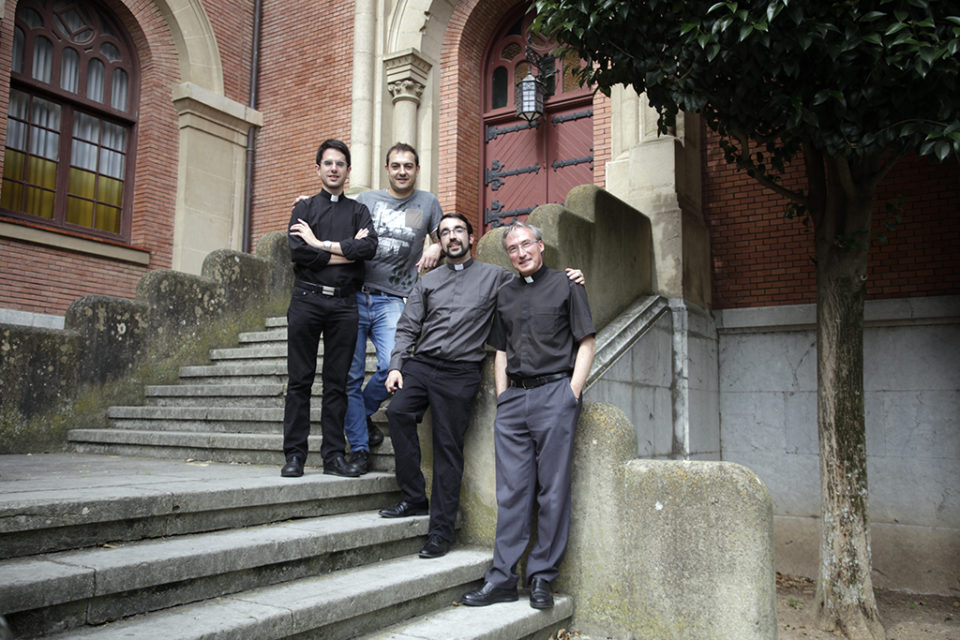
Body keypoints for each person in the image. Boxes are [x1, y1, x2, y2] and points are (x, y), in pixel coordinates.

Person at [379, 213, 585, 561]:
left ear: (471, 238)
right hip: (423, 364)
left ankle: (440, 532)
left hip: (460, 372)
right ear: (440, 241)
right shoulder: (428, 283)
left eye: (458, 230)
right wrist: (397, 365)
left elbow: (533, 277)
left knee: (448, 447)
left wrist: (572, 276)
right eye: (444, 233)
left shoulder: (497, 278)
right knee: (397, 413)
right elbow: (407, 327)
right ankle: (415, 496)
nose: (452, 237)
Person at [460, 221, 596, 610]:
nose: (520, 253)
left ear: (541, 247)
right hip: (514, 402)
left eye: (526, 245)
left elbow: (586, 341)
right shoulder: (505, 294)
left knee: (552, 491)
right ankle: (502, 578)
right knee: (513, 492)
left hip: (556, 394)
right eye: (512, 248)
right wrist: (503, 399)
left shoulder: (569, 285)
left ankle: (541, 578)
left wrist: (571, 392)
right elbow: (500, 351)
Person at [281, 139, 378, 479]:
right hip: (307, 300)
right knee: (300, 381)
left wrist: (318, 244)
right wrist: (343, 252)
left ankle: (334, 456)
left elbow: (367, 249)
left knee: (337, 383)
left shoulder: (358, 211)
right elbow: (299, 254)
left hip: (344, 305)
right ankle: (294, 456)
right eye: (328, 163)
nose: (334, 168)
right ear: (318, 168)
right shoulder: (303, 209)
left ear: (348, 171)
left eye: (340, 164)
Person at [344, 143, 443, 474]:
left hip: (395, 298)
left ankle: (364, 411)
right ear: (387, 169)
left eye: (408, 166)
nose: (402, 171)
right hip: (355, 295)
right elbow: (334, 220)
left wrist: (437, 245)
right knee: (350, 376)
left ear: (417, 169)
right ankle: (358, 447)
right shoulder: (366, 200)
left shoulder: (428, 203)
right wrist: (307, 205)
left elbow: (447, 233)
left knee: (392, 366)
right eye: (396, 165)